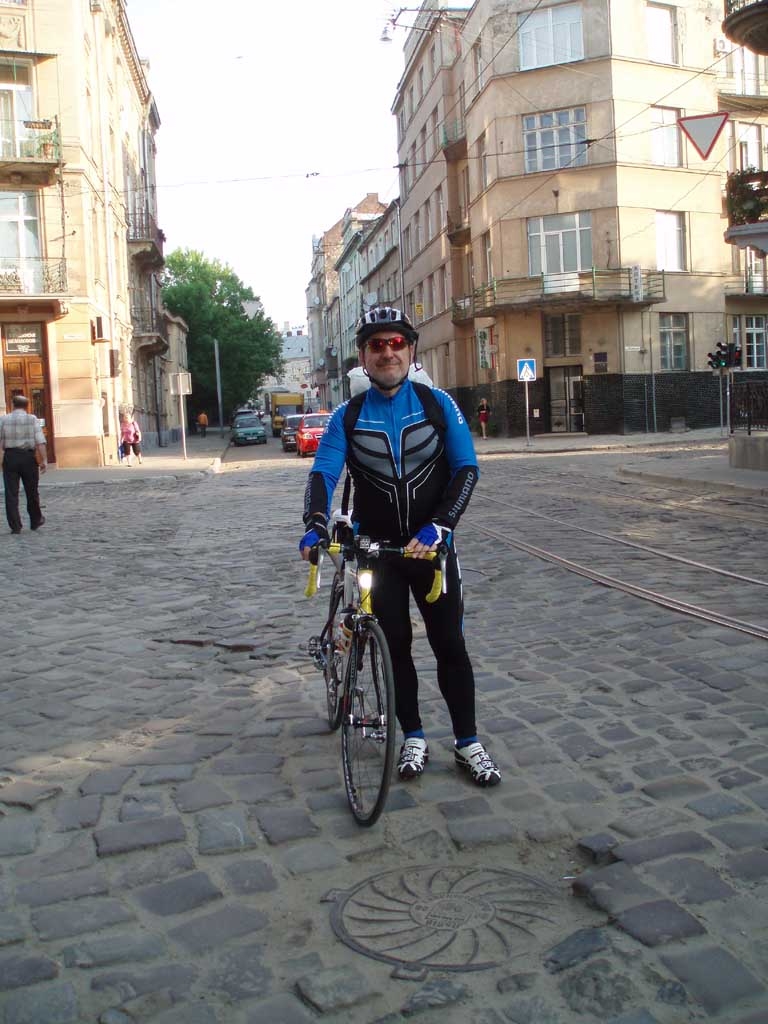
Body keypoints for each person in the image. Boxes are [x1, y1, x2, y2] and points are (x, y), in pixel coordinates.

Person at [299, 306, 501, 788]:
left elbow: (466, 469)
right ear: (363, 357)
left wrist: (441, 526)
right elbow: (323, 473)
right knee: (395, 649)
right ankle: (413, 735)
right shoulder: (347, 417)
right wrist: (315, 524)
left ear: (411, 351)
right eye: (376, 345)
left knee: (450, 644)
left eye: (395, 344)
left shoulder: (437, 404)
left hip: (432, 551)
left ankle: (468, 742)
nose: (387, 352)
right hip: (378, 552)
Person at [0, 394, 47, 534]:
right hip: (28, 457)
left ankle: (15, 526)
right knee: (32, 491)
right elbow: (40, 441)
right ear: (27, 406)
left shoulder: (4, 419)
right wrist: (44, 460)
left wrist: (1, 458)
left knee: (11, 493)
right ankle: (35, 520)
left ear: (12, 405)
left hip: (10, 456)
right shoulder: (32, 419)